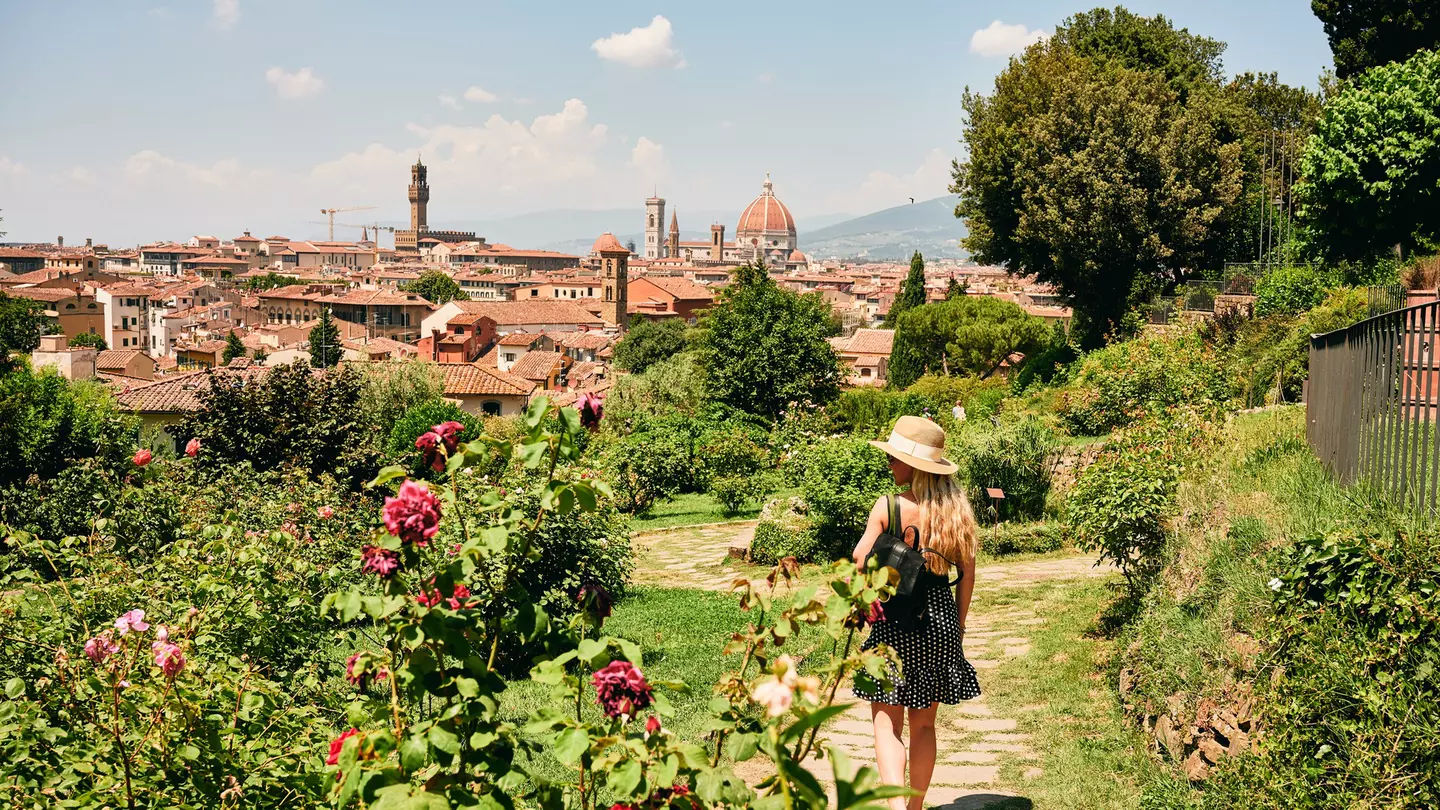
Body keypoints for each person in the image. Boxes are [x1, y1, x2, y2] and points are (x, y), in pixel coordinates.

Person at [851, 415, 980, 810]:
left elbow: (859, 559)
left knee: (886, 722)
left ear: (912, 465)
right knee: (924, 724)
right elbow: (968, 573)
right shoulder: (955, 512)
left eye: (894, 459)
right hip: (939, 621)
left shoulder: (890, 506)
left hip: (894, 623)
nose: (889, 465)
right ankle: (915, 807)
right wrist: (957, 625)